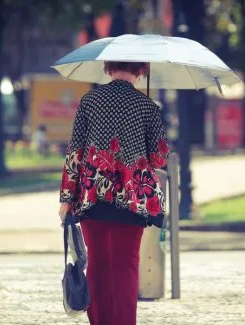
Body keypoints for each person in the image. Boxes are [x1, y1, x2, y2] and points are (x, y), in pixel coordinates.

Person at [57, 61, 170, 325]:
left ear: (108, 68)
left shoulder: (90, 101)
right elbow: (159, 158)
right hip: (132, 198)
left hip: (92, 195)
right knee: (126, 265)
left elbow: (75, 152)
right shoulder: (148, 107)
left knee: (97, 263)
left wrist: (66, 199)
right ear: (141, 71)